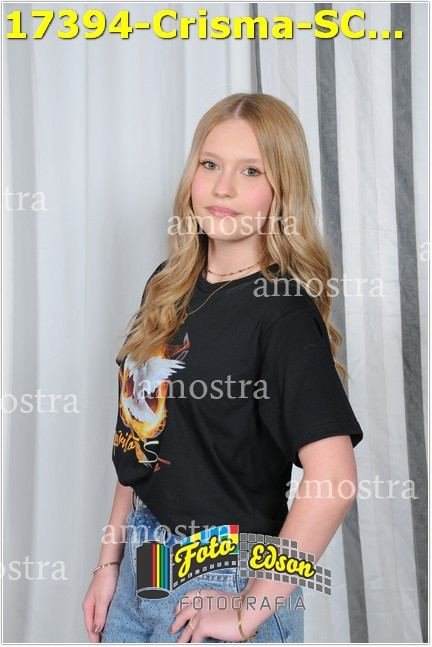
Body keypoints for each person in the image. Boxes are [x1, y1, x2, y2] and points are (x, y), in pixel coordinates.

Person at [81, 92, 364, 643]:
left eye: (251, 170)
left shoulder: (282, 312)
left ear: (281, 190)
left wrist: (246, 611)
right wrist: (109, 563)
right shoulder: (168, 285)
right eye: (210, 164)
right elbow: (138, 441)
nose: (223, 187)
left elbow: (334, 480)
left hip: (225, 570)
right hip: (145, 559)